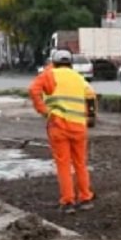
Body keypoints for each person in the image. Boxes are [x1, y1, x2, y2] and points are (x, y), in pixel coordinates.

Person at [29, 49, 96, 214]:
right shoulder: (78, 77)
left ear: (54, 62)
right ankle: (86, 198)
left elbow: (33, 90)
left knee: (64, 164)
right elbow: (91, 96)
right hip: (79, 126)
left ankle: (68, 201)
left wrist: (43, 110)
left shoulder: (49, 74)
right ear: (70, 63)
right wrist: (91, 116)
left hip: (59, 126)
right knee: (80, 163)